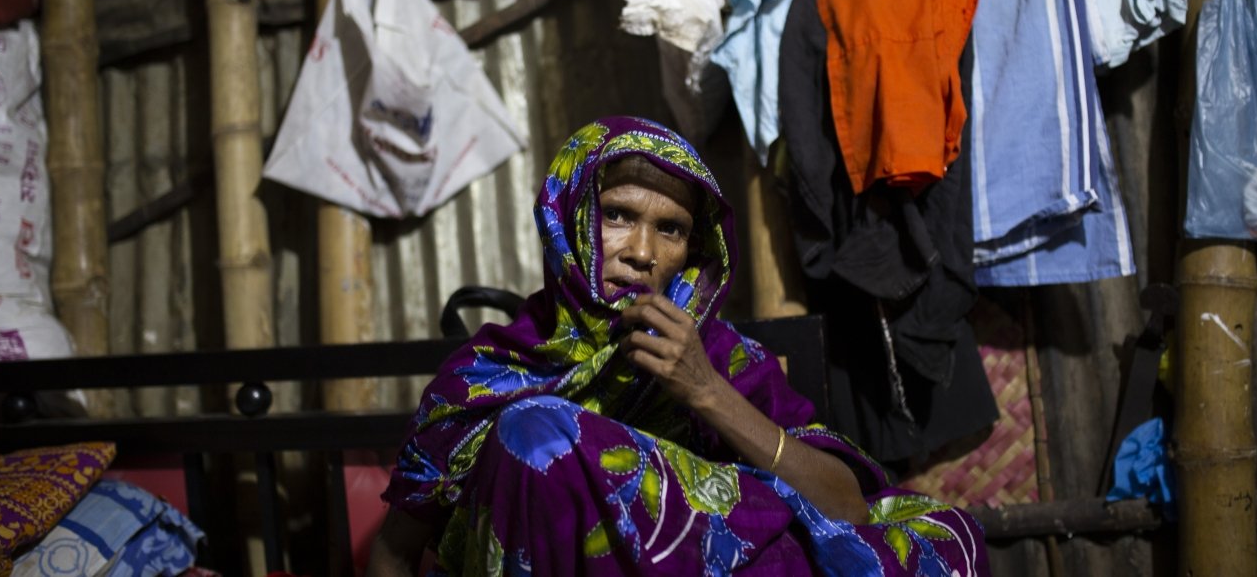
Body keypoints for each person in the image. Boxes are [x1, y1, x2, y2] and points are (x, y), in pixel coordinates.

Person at [367, 117, 988, 576]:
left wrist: (707, 392)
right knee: (535, 433)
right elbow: (396, 551)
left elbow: (847, 509)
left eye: (671, 229)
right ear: (569, 219)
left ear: (694, 252)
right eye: (616, 215)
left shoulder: (722, 357)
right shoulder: (484, 376)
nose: (642, 252)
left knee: (943, 533)